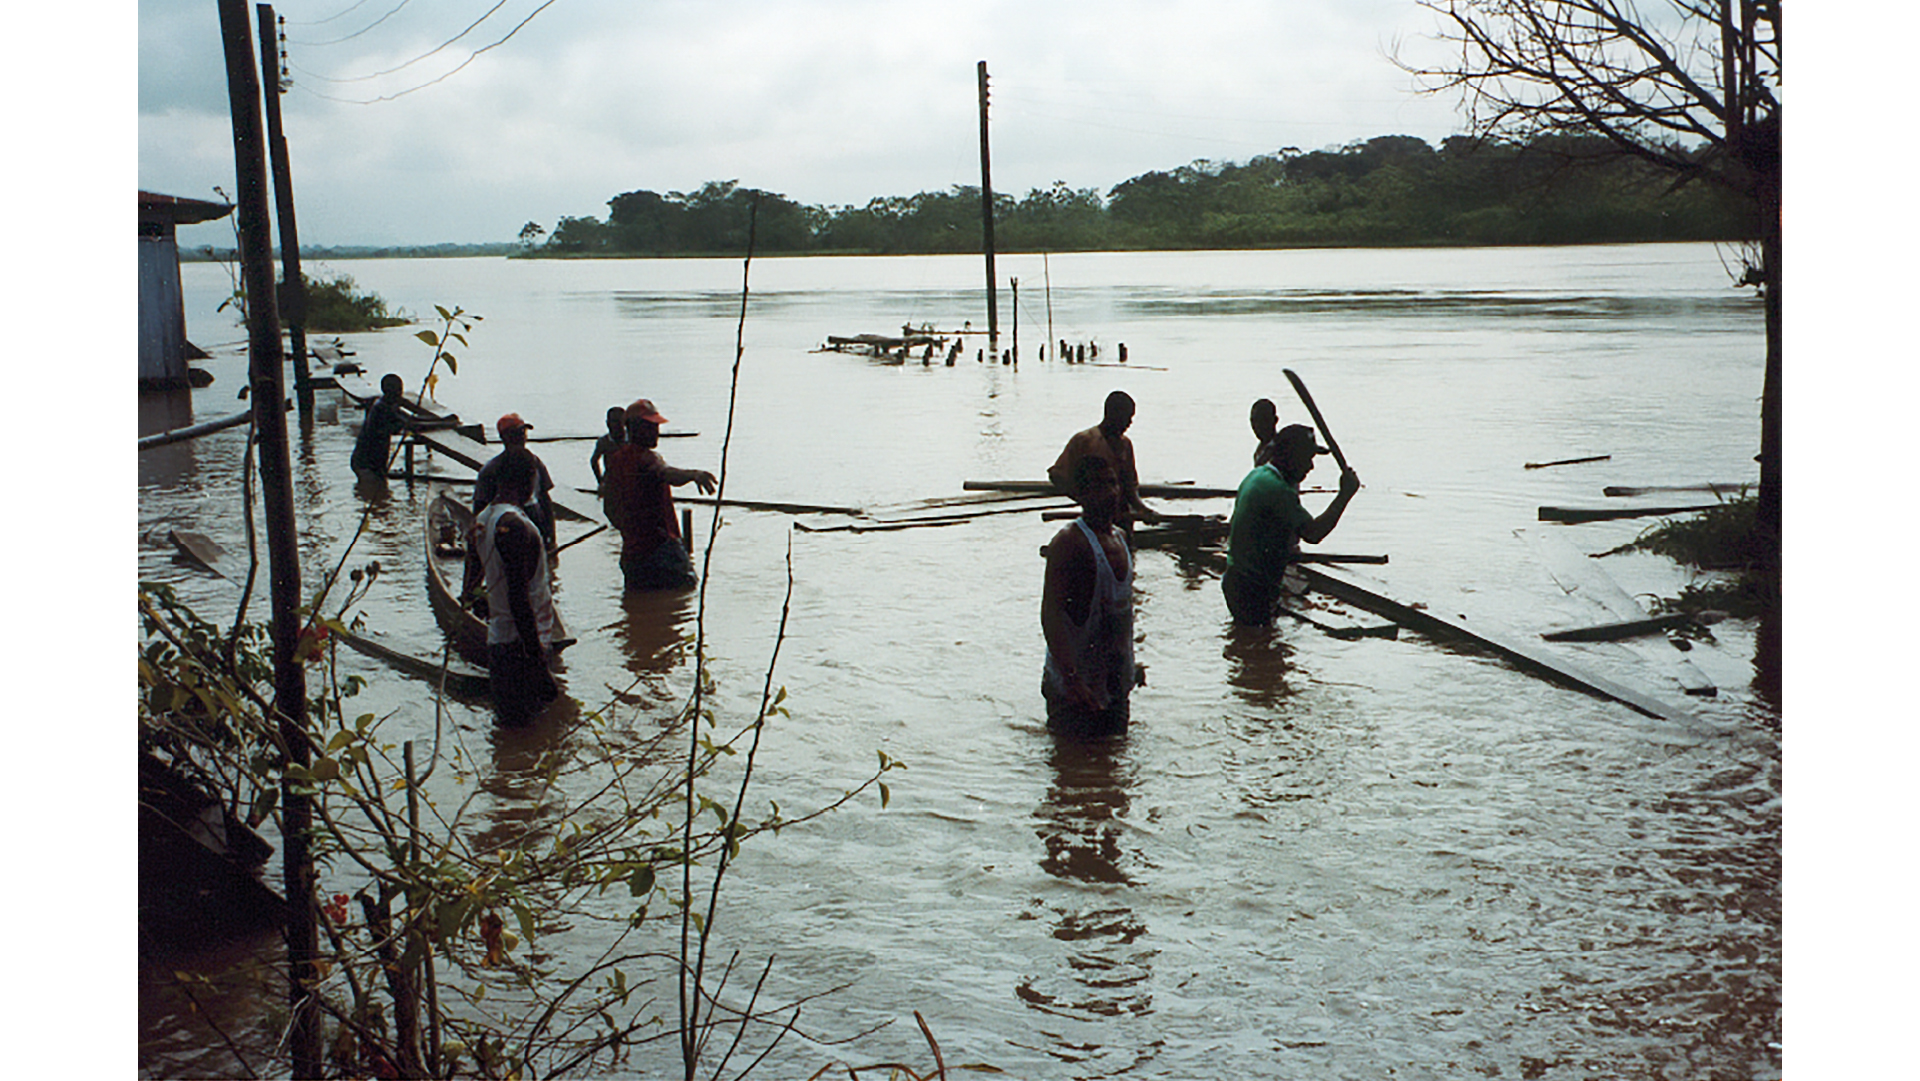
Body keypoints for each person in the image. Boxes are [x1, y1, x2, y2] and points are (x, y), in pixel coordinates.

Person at [1221, 424, 1361, 627]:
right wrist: (1344, 495)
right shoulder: (1278, 490)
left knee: (1253, 643)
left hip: (1238, 580)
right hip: (1251, 587)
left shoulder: (1257, 476)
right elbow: (1313, 533)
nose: (1311, 467)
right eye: (1307, 459)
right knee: (1261, 643)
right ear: (1291, 455)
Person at [1041, 455, 1140, 739]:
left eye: (1112, 484)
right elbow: (1051, 615)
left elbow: (1120, 615)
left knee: (1113, 771)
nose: (1109, 493)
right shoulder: (1069, 543)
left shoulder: (1121, 538)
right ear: (1082, 495)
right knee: (1074, 772)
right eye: (1098, 486)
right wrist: (1072, 680)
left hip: (1114, 685)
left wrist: (1130, 666)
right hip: (1074, 692)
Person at [471, 448, 563, 725]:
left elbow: (477, 581)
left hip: (499, 642)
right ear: (530, 479)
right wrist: (538, 662)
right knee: (531, 730)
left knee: (510, 737)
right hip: (519, 648)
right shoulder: (516, 526)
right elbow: (518, 598)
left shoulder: (482, 520)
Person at [601, 398, 717, 591]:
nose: (656, 432)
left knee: (639, 606)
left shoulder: (615, 461)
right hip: (661, 550)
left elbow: (609, 508)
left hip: (632, 555)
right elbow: (666, 473)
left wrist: (629, 532)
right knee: (686, 593)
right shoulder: (646, 458)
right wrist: (693, 475)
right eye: (651, 427)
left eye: (656, 427)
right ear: (635, 428)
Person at [1047, 390, 1161, 525]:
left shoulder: (1125, 445)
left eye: (1131, 418)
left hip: (1123, 518)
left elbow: (1130, 488)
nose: (1129, 422)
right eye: (1126, 417)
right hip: (1094, 520)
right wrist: (1087, 501)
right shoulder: (1085, 440)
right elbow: (1058, 476)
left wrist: (1144, 511)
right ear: (1112, 414)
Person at [473, 413, 556, 549]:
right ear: (504, 438)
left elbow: (545, 500)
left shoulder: (534, 462)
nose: (522, 437)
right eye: (517, 433)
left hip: (532, 517)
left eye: (523, 432)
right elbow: (480, 506)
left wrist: (551, 536)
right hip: (504, 523)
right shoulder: (491, 469)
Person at [349, 374, 412, 480]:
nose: (400, 393)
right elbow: (403, 425)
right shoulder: (381, 409)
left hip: (374, 462)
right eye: (398, 390)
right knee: (373, 489)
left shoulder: (387, 405)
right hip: (366, 464)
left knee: (380, 491)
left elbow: (408, 420)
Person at [589, 405, 626, 485]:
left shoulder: (632, 440)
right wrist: (600, 481)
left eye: (618, 422)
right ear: (607, 423)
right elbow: (594, 461)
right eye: (613, 422)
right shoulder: (603, 442)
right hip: (611, 481)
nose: (616, 426)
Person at [1249, 398, 1279, 466]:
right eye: (1253, 421)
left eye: (1263, 421)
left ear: (1275, 420)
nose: (1257, 426)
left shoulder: (1278, 450)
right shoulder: (1260, 450)